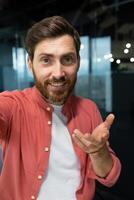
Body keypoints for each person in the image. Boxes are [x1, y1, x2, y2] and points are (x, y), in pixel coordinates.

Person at [0, 15, 121, 200]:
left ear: (78, 63)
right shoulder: (13, 105)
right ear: (30, 65)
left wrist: (98, 151)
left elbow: (109, 177)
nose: (58, 73)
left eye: (67, 59)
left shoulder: (88, 109)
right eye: (46, 60)